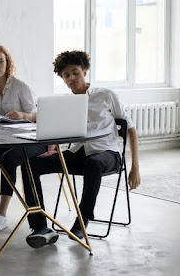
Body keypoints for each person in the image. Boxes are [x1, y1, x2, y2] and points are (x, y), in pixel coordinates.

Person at [23, 50, 141, 249]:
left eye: (75, 73)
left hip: (107, 154)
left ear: (85, 71)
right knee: (31, 164)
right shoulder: (65, 102)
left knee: (93, 164)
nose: (71, 78)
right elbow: (58, 129)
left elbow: (130, 128)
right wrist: (54, 149)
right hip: (78, 153)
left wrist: (135, 167)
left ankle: (81, 221)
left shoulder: (106, 95)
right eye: (66, 75)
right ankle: (40, 227)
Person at [0, 43, 47, 233]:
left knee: (9, 159)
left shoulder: (20, 87)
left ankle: (2, 214)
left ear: (7, 64)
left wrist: (23, 115)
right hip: (5, 139)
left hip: (29, 139)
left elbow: (38, 115)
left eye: (1, 61)